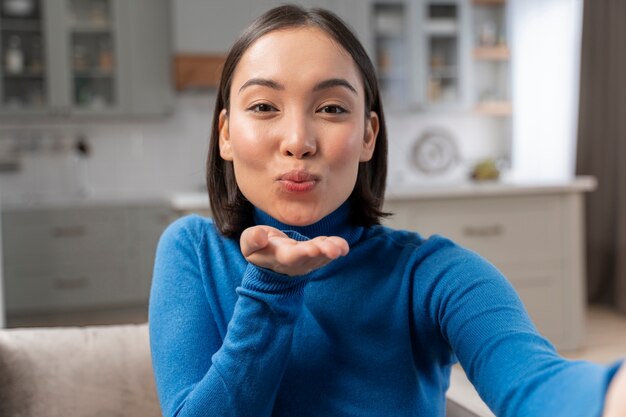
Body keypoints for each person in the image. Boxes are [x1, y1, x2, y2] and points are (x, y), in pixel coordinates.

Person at [149, 5, 625, 417]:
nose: (297, 141)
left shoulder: (433, 275)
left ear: (369, 136)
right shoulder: (192, 249)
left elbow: (533, 381)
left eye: (332, 108)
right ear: (226, 134)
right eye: (263, 106)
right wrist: (272, 290)